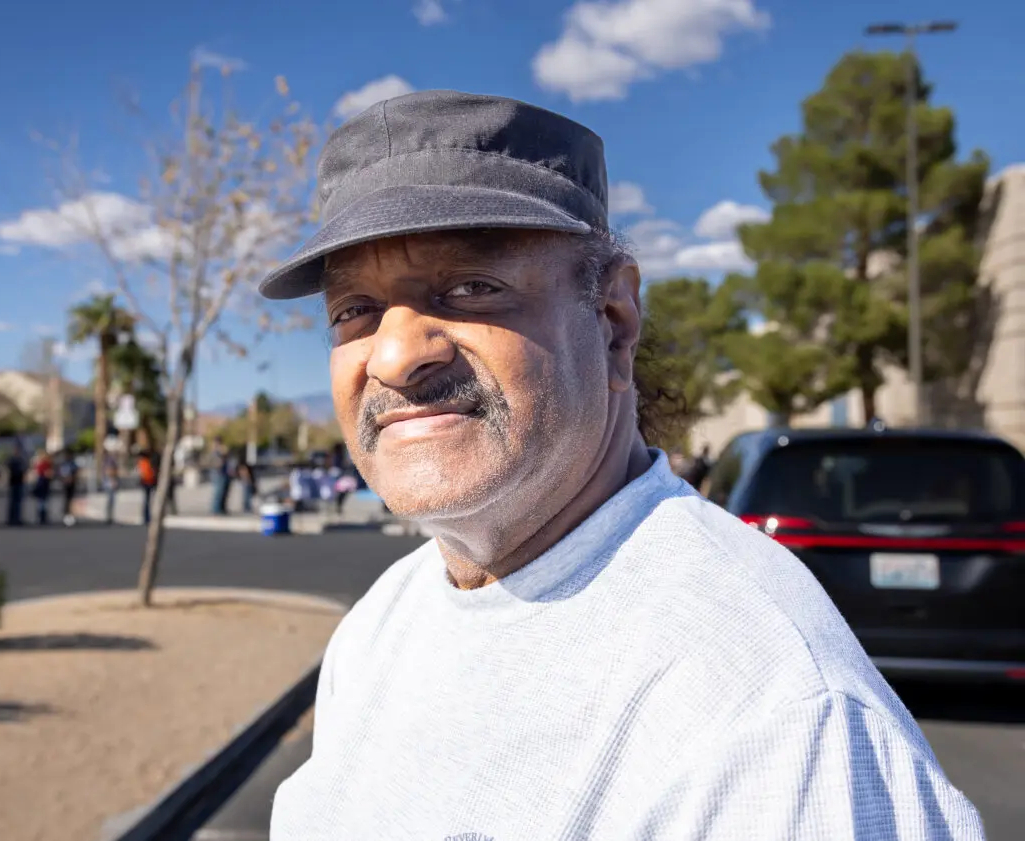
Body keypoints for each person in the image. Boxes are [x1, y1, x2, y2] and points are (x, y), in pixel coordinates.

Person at [262, 91, 984, 840]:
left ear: (613, 320)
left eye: (471, 287)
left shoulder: (771, 713)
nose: (396, 353)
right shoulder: (382, 622)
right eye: (355, 309)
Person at [5, 440, 27, 526]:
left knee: (18, 502)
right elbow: (8, 468)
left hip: (19, 482)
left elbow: (24, 469)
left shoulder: (21, 459)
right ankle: (11, 519)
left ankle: (17, 518)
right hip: (13, 482)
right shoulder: (12, 459)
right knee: (13, 502)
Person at [57, 448, 79, 526]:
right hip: (65, 484)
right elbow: (60, 473)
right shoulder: (64, 464)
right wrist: (64, 479)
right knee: (66, 500)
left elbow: (76, 472)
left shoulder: (73, 463)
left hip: (72, 483)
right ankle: (66, 516)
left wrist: (73, 478)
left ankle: (71, 516)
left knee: (71, 500)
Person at [210, 441, 233, 515]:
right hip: (219, 475)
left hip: (224, 474)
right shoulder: (215, 453)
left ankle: (222, 508)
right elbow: (217, 464)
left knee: (224, 493)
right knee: (218, 493)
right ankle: (216, 509)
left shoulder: (222, 453)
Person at [31, 449, 53, 525]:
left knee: (43, 501)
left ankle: (42, 517)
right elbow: (46, 473)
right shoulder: (42, 464)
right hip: (42, 483)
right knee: (42, 502)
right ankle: (42, 517)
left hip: (44, 483)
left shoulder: (44, 463)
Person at [138, 448, 158, 525]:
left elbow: (142, 473)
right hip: (149, 482)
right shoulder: (148, 462)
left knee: (146, 501)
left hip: (146, 482)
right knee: (148, 501)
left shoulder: (142, 463)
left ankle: (146, 517)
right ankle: (147, 517)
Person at [103, 450, 120, 525]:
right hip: (110, 483)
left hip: (109, 483)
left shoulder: (108, 460)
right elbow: (110, 471)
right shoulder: (110, 461)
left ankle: (109, 517)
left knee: (111, 501)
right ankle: (109, 517)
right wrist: (113, 480)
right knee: (110, 500)